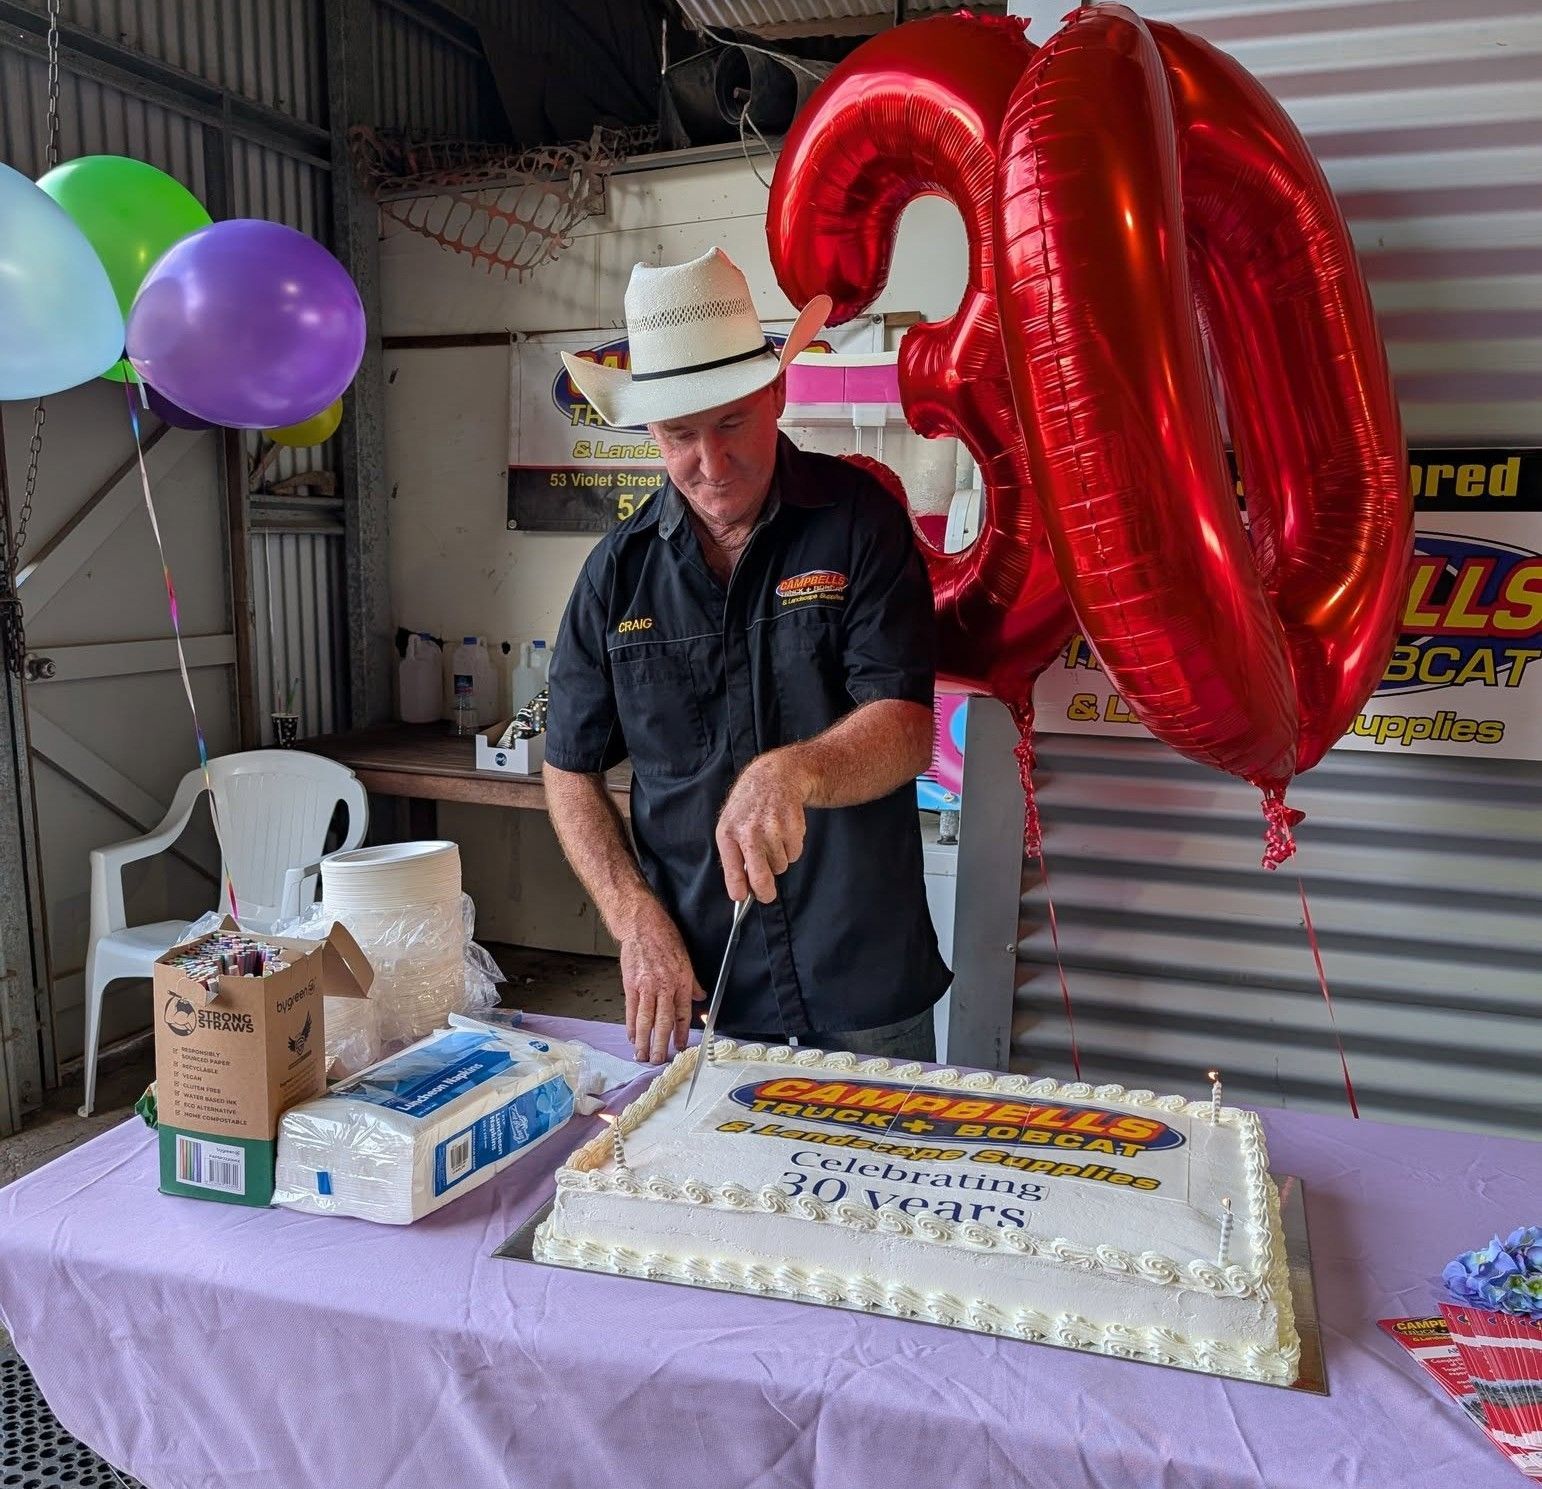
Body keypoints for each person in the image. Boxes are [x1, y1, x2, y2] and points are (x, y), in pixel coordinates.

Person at [544, 247, 949, 1064]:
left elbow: (906, 726)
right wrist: (633, 920)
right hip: (703, 994)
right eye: (680, 435)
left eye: (732, 421)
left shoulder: (858, 521)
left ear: (777, 392)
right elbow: (568, 767)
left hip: (862, 982)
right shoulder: (614, 576)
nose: (711, 462)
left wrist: (790, 772)